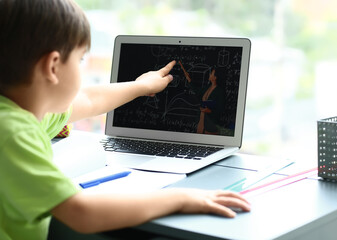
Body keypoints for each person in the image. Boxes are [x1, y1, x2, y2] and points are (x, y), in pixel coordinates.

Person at [0, 0, 251, 239]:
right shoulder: (13, 134)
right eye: (80, 60)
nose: (82, 68)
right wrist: (182, 199)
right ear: (53, 67)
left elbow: (89, 100)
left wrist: (141, 86)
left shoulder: (17, 111)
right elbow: (82, 213)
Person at [179, 61, 225, 134]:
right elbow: (197, 91)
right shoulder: (208, 87)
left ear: (215, 77)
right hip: (202, 119)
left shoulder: (220, 91)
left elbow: (220, 109)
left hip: (211, 122)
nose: (210, 74)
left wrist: (209, 111)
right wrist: (189, 79)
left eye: (212, 73)